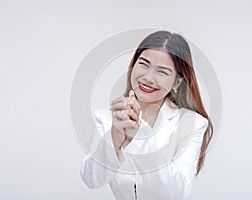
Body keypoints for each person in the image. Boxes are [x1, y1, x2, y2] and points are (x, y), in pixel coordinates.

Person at [80, 30, 213, 200]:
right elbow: (91, 180)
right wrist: (114, 137)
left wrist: (139, 133)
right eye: (143, 64)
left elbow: (175, 193)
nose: (149, 77)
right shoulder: (107, 117)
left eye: (162, 72)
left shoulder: (192, 123)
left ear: (177, 82)